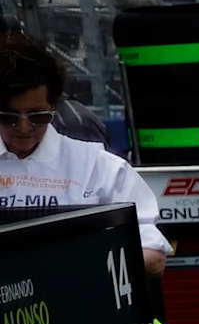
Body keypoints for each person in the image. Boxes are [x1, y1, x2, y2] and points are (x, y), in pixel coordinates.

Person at [0, 33, 169, 273]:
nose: (24, 127)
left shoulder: (99, 167)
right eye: (8, 117)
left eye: (38, 116)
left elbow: (153, 254)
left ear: (53, 106)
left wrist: (77, 270)